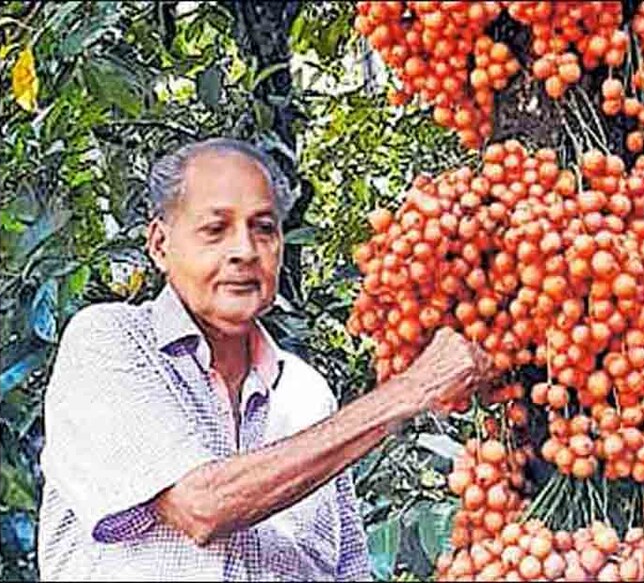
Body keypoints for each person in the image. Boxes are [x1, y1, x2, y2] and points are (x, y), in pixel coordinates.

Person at [37, 138, 492, 581]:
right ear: (159, 244)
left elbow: (348, 570)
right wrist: (413, 390)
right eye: (215, 230)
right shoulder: (110, 341)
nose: (245, 251)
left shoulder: (306, 393)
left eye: (264, 228)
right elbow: (202, 506)